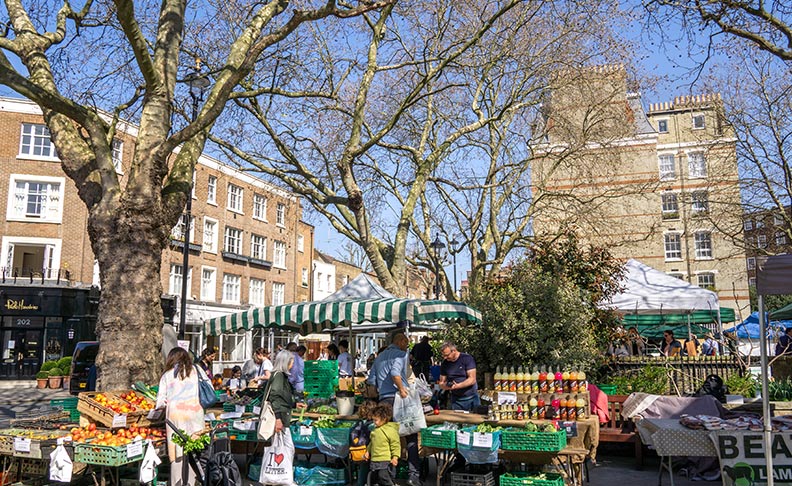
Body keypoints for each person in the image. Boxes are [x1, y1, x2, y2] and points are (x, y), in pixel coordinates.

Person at [370, 332, 421, 486]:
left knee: (386, 437)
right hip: (400, 399)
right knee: (410, 436)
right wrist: (402, 389)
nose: (407, 346)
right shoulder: (400, 354)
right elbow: (395, 373)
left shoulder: (379, 357)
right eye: (406, 343)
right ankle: (413, 476)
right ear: (399, 341)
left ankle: (388, 476)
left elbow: (372, 381)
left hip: (384, 400)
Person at [156, 347, 205, 486]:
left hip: (175, 419)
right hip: (196, 416)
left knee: (178, 453)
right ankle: (193, 480)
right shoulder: (197, 371)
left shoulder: (168, 375)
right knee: (195, 450)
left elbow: (160, 402)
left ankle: (178, 482)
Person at [263, 349, 307, 435]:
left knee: (283, 446)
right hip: (280, 418)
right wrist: (278, 418)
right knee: (283, 446)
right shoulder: (279, 376)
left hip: (282, 417)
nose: (292, 365)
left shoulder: (281, 375)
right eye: (291, 362)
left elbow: (282, 397)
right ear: (285, 363)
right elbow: (275, 396)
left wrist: (294, 404)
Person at [364, 404, 401, 486]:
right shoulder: (375, 430)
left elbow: (395, 445)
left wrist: (395, 457)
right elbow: (372, 442)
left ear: (384, 419)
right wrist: (367, 452)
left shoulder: (390, 430)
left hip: (385, 460)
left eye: (375, 420)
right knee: (375, 478)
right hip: (375, 459)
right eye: (373, 420)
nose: (374, 422)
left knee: (384, 476)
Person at [438, 342, 480, 411]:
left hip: (471, 397)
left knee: (473, 420)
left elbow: (472, 379)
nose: (445, 358)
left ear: (454, 351)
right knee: (456, 421)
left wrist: (458, 386)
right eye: (443, 356)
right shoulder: (445, 363)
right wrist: (445, 386)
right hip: (455, 399)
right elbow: (441, 382)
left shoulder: (467, 359)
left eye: (447, 355)